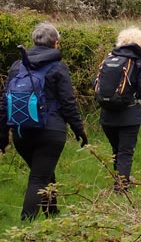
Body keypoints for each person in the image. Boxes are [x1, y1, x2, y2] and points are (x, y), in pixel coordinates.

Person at [0, 23, 88, 221]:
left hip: (21, 132)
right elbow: (67, 102)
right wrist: (79, 129)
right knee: (39, 178)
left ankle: (52, 212)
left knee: (43, 171)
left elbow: (4, 102)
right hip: (51, 131)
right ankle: (26, 223)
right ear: (56, 43)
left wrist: (3, 135)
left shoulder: (17, 66)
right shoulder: (58, 67)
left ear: (34, 42)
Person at [99, 27, 141, 191]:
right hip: (129, 114)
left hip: (107, 113)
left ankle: (120, 178)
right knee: (125, 152)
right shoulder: (140, 62)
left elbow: (96, 84)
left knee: (116, 150)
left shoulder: (109, 59)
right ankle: (121, 187)